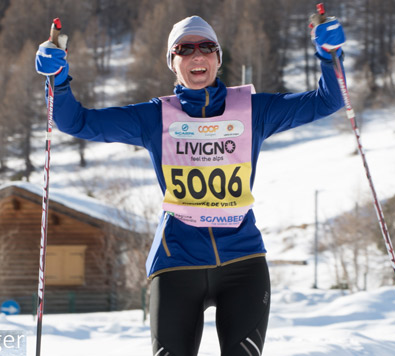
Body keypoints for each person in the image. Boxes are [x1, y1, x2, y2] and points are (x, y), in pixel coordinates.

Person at [36, 15, 346, 356]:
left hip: (243, 261)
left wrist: (330, 56)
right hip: (176, 262)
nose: (197, 56)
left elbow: (328, 100)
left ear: (218, 58)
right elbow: (75, 121)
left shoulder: (253, 111)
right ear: (173, 62)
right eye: (185, 49)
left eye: (207, 47)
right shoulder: (155, 117)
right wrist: (58, 82)